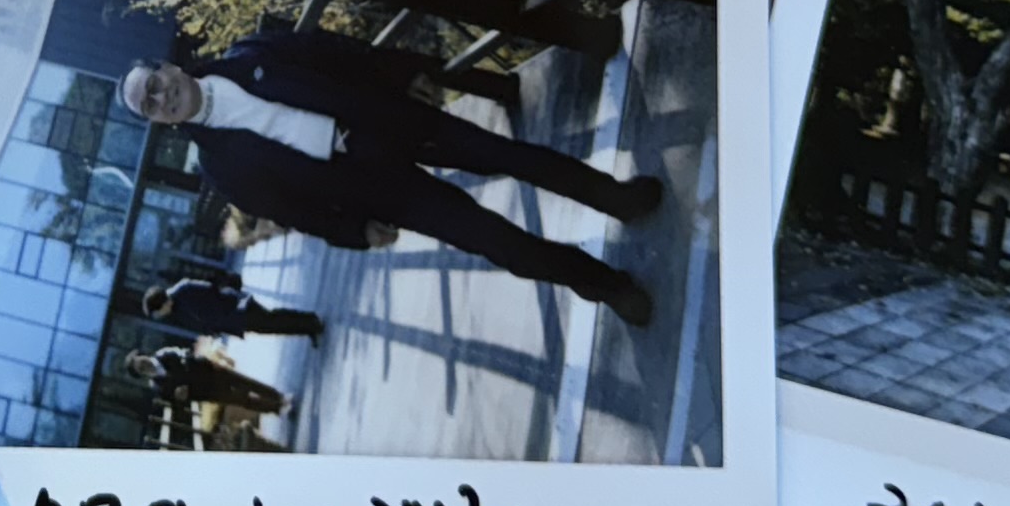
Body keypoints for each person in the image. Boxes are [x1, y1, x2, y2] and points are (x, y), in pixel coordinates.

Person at [119, 27, 659, 327]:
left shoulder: (251, 53)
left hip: (387, 121)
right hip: (373, 186)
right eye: (150, 105)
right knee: (496, 241)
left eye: (156, 83)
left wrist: (403, 73)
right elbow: (293, 211)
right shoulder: (219, 168)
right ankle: (605, 284)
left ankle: (619, 199)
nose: (162, 97)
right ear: (157, 121)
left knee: (512, 156)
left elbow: (335, 52)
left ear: (171, 67)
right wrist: (354, 231)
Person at [121, 343, 293, 440]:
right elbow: (175, 404)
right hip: (206, 392)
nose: (145, 365)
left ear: (143, 355)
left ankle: (278, 396)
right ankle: (276, 408)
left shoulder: (163, 354)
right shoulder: (157, 386)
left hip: (210, 372)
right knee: (242, 400)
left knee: (245, 383)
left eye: (142, 360)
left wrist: (185, 374)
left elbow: (187, 354)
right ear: (142, 374)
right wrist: (180, 397)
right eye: (141, 368)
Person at [142, 274, 326, 344]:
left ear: (161, 304)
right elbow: (201, 323)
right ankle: (307, 326)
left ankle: (310, 323)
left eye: (158, 312)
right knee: (271, 325)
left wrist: (228, 308)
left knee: (272, 321)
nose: (160, 315)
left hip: (237, 307)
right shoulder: (177, 312)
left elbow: (213, 288)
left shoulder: (185, 288)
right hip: (232, 321)